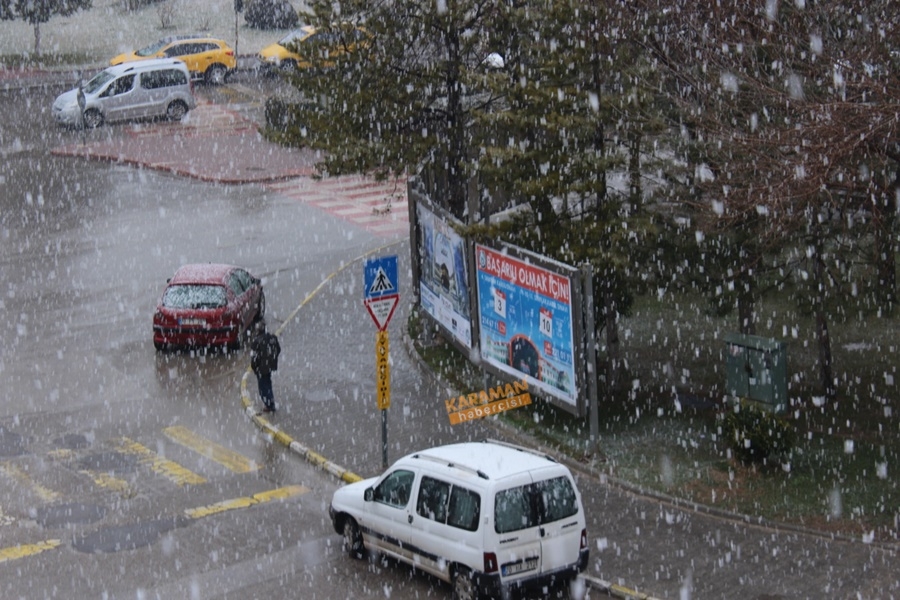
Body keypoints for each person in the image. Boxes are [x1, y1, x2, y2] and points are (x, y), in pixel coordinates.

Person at [250, 321, 281, 413]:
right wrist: (272, 359)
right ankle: (270, 402)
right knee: (268, 383)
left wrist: (255, 367)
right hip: (269, 366)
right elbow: (278, 349)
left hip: (261, 368)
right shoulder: (272, 338)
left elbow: (254, 358)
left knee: (263, 387)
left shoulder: (256, 342)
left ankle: (269, 405)